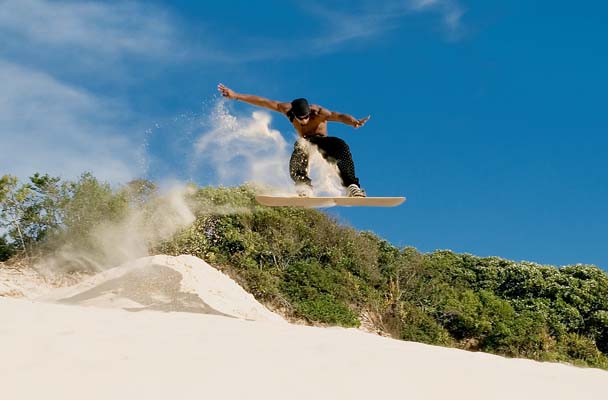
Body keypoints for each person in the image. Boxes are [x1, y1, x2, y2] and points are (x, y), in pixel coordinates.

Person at [217, 83, 370, 197]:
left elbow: (339, 116)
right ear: (294, 114)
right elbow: (263, 101)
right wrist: (236, 95)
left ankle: (352, 186)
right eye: (300, 118)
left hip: (323, 142)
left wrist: (353, 122)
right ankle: (304, 186)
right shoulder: (286, 109)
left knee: (341, 145)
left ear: (310, 112)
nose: (303, 121)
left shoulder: (320, 113)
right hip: (306, 143)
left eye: (306, 117)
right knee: (300, 145)